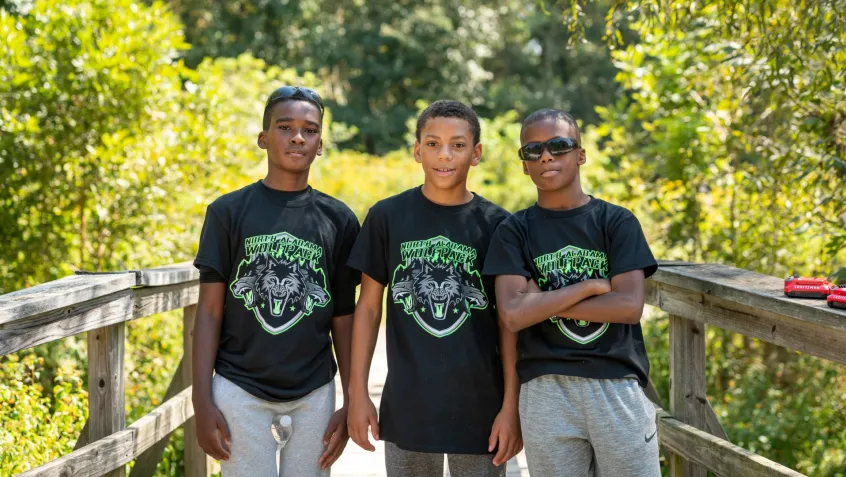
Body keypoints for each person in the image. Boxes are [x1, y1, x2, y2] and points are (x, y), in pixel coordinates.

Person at [346, 100, 522, 477]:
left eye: (458, 145)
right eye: (432, 143)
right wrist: (357, 393)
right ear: (416, 150)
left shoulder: (498, 225)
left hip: (482, 411)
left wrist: (511, 405)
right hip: (408, 408)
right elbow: (369, 309)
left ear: (476, 154)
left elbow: (510, 323)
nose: (444, 155)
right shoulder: (387, 217)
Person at [191, 86, 360, 476]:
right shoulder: (227, 213)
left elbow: (343, 316)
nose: (298, 136)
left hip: (314, 391)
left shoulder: (339, 220)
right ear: (263, 138)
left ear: (320, 144)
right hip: (238, 387)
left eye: (310, 130)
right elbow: (210, 313)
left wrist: (351, 400)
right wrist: (202, 401)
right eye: (285, 127)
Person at [483, 108, 660, 477]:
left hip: (616, 385)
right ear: (524, 165)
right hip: (546, 391)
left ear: (580, 154)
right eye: (533, 150)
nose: (546, 156)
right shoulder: (514, 231)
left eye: (559, 146)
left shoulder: (616, 222)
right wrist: (591, 287)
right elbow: (513, 315)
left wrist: (540, 302)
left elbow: (629, 306)